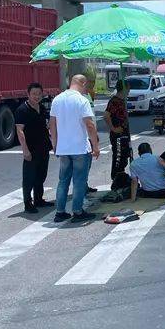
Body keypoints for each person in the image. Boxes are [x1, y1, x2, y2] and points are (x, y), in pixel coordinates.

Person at [49, 74, 100, 223]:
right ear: (83, 84)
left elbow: (52, 124)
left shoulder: (57, 100)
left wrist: (55, 144)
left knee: (63, 180)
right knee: (79, 181)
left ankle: (60, 212)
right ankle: (77, 211)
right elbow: (90, 125)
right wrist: (95, 146)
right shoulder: (82, 100)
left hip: (63, 149)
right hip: (79, 148)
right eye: (87, 86)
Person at [15, 82, 54, 213]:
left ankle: (39, 199)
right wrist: (25, 150)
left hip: (43, 147)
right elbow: (20, 131)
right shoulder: (22, 110)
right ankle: (28, 203)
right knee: (29, 177)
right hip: (31, 149)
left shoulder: (42, 108)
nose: (36, 96)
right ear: (28, 94)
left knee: (41, 175)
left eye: (39, 94)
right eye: (34, 94)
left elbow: (47, 126)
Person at [104, 79, 131, 181]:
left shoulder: (123, 101)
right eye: (128, 89)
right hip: (118, 136)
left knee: (125, 156)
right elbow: (106, 115)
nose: (129, 91)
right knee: (118, 157)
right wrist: (113, 129)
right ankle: (116, 178)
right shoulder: (114, 101)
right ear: (124, 89)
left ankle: (121, 177)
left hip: (124, 134)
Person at [83, 73, 98, 194]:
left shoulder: (89, 95)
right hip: (84, 136)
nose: (92, 84)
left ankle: (85, 184)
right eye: (90, 82)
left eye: (93, 82)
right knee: (84, 163)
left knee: (88, 163)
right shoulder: (80, 97)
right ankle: (82, 186)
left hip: (91, 134)